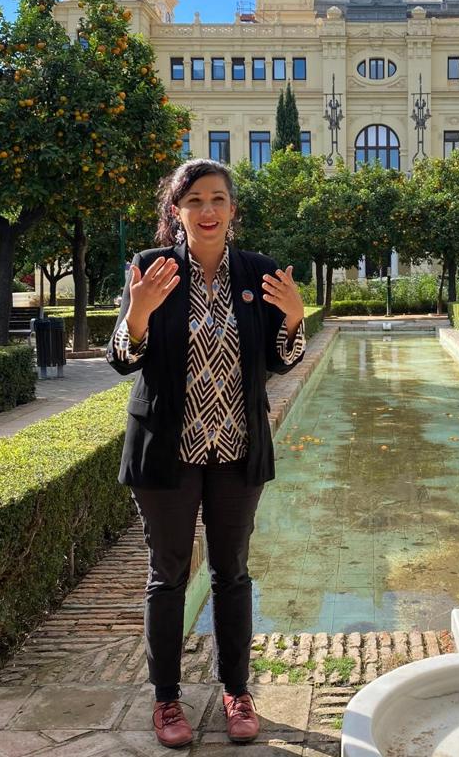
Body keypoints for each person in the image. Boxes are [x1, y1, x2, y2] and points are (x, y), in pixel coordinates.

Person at [106, 158, 306, 749]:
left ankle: (236, 690)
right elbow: (124, 359)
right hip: (169, 450)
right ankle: (167, 701)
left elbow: (277, 358)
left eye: (217, 199)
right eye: (194, 200)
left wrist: (292, 320)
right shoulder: (152, 269)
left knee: (232, 573)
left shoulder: (259, 272)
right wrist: (136, 316)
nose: (208, 210)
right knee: (167, 576)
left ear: (232, 210)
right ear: (177, 211)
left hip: (236, 449)